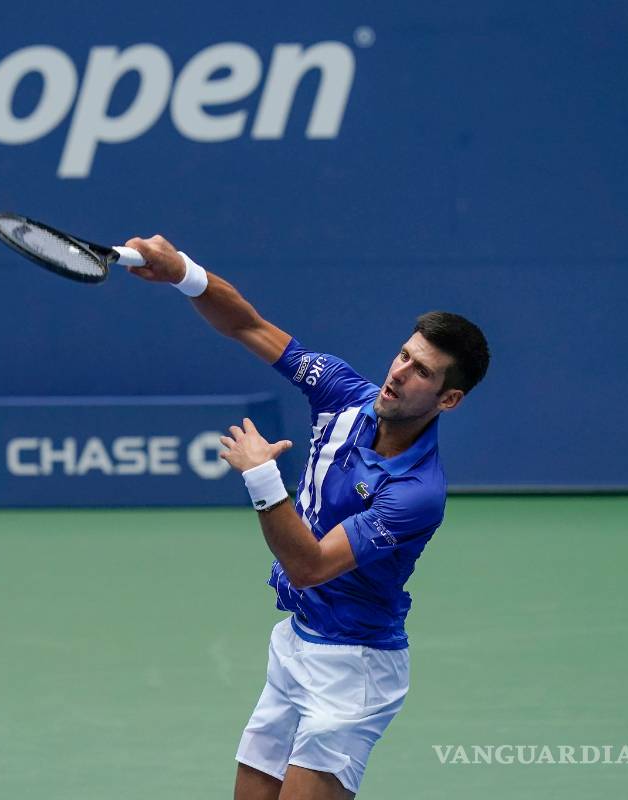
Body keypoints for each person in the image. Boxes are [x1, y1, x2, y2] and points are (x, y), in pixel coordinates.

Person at [123, 234, 490, 799]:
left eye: (421, 370)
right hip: (295, 643)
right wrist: (182, 272)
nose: (398, 372)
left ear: (449, 399)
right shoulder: (342, 392)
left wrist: (262, 478)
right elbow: (246, 325)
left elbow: (310, 567)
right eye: (403, 354)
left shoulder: (416, 492)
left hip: (354, 669)